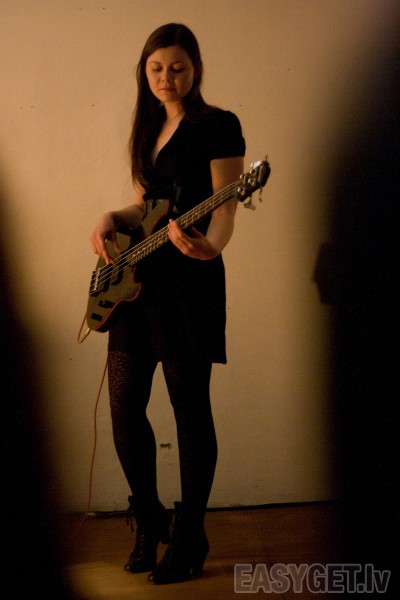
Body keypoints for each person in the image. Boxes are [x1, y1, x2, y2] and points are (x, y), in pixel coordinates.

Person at [90, 22, 245, 585]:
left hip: (190, 283)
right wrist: (111, 217)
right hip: (138, 283)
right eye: (156, 68)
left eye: (177, 67)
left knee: (189, 409)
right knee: (124, 406)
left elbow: (225, 206)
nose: (166, 77)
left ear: (194, 68)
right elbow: (144, 208)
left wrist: (212, 248)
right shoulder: (146, 127)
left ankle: (191, 533)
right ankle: (152, 517)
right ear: (145, 71)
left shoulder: (219, 125)